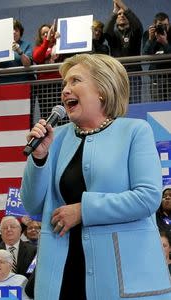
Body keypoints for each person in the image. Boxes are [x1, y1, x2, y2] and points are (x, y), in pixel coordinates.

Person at [21, 53, 170, 299]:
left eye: (75, 81)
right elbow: (33, 205)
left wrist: (83, 210)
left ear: (102, 89)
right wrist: (38, 158)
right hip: (63, 275)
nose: (66, 90)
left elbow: (147, 198)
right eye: (64, 85)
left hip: (120, 278)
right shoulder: (53, 138)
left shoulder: (135, 131)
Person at [142, 12, 171, 101]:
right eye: (160, 25)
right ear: (154, 25)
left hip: (170, 77)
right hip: (156, 78)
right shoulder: (148, 34)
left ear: (169, 24)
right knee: (157, 107)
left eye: (166, 25)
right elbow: (145, 53)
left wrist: (165, 43)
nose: (163, 27)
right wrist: (150, 39)